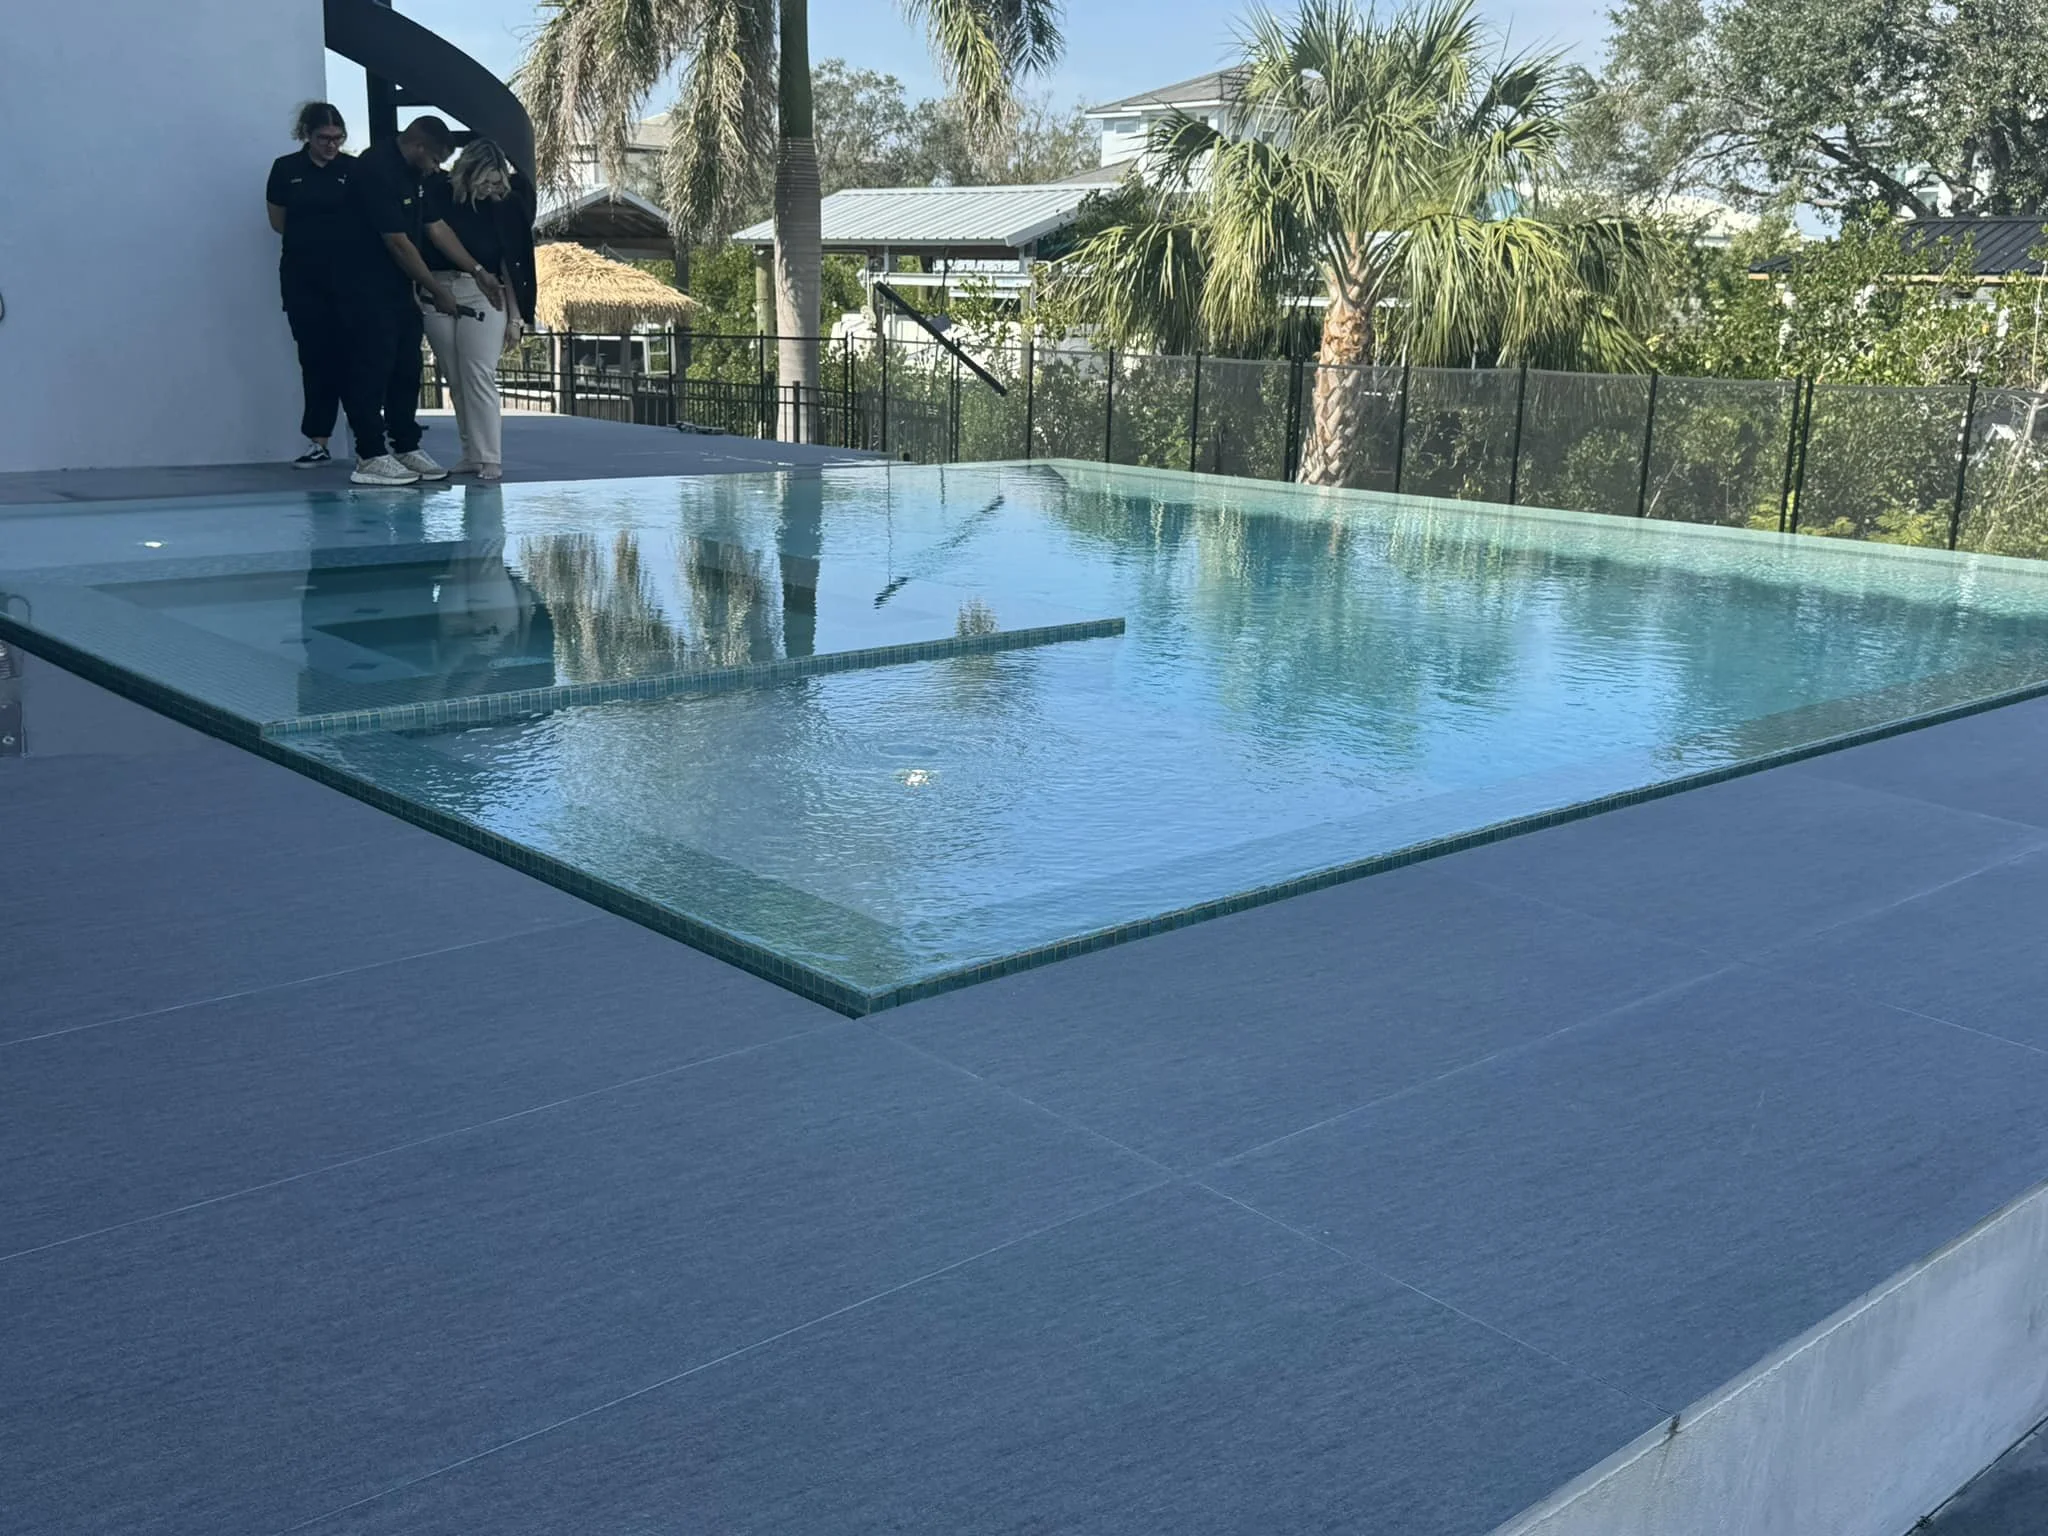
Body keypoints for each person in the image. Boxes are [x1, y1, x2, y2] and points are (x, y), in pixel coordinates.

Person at [340, 115, 502, 486]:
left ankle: (405, 445)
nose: (438, 168)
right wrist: (437, 288)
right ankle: (369, 454)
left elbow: (436, 228)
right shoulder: (375, 169)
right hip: (363, 284)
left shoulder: (418, 176)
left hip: (400, 288)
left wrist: (477, 270)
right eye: (435, 160)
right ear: (418, 147)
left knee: (406, 368)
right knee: (372, 367)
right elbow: (397, 242)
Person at [420, 139, 537, 480]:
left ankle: (490, 456)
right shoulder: (438, 192)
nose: (492, 190)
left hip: (485, 293)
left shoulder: (505, 203)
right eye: (486, 182)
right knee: (455, 379)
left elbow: (511, 262)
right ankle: (471, 453)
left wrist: (515, 318)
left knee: (479, 374)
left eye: (497, 182)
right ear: (467, 173)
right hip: (438, 288)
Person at [265, 103, 356, 468]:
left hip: (350, 279)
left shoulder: (353, 170)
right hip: (304, 279)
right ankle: (318, 440)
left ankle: (367, 439)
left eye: (337, 139)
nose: (331, 146)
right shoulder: (287, 169)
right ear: (307, 135)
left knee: (353, 358)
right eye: (324, 139)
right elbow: (278, 221)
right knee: (315, 359)